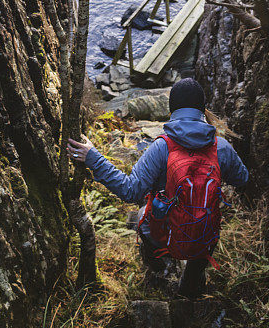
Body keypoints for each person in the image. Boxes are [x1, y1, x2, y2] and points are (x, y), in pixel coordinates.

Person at [67, 77, 249, 300]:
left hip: (163, 233)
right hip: (204, 235)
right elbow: (242, 178)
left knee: (142, 216)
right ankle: (191, 284)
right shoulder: (220, 146)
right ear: (203, 109)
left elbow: (130, 191)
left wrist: (92, 158)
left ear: (171, 110)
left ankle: (161, 272)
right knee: (199, 252)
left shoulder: (162, 147)